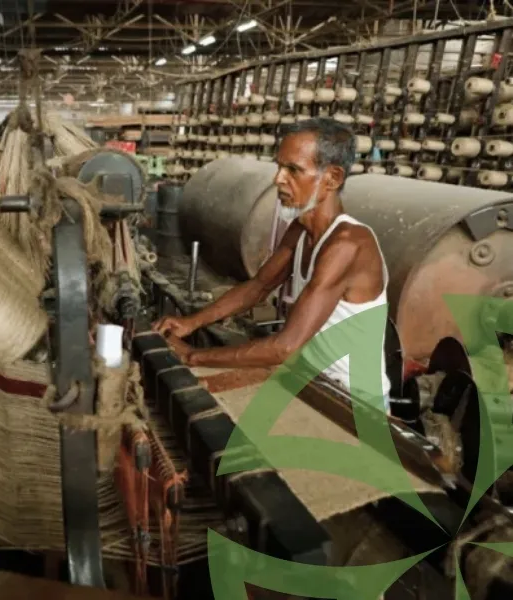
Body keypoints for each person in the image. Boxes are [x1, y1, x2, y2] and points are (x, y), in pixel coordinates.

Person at [153, 117, 391, 412]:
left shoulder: (348, 244)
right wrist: (191, 322)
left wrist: (193, 356)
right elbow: (258, 287)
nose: (278, 178)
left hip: (353, 403)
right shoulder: (300, 230)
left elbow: (285, 347)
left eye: (293, 170)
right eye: (279, 166)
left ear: (332, 178)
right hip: (314, 385)